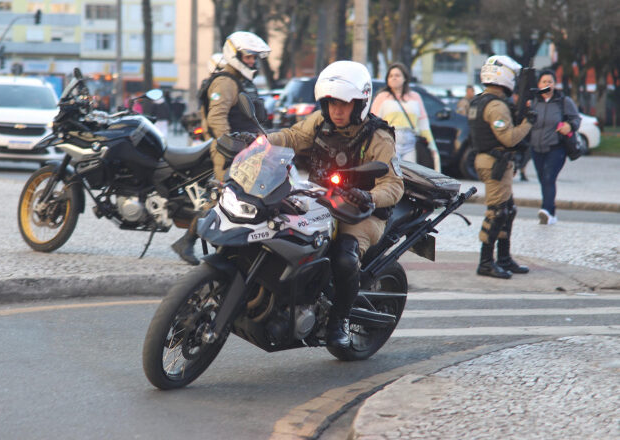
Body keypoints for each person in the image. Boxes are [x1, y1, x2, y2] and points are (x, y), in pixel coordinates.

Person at [264, 60, 405, 348]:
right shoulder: (320, 122)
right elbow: (293, 136)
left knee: (344, 257)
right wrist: (261, 141)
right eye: (330, 103)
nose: (336, 111)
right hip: (322, 201)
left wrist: (368, 196)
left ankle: (338, 320)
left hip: (363, 212)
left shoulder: (378, 136)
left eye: (344, 104)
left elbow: (393, 185)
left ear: (360, 103)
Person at [171, 31, 271, 265]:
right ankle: (187, 241)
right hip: (231, 152)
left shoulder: (243, 82)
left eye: (254, 57)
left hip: (250, 151)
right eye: (248, 57)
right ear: (233, 54)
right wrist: (233, 148)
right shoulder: (226, 81)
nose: (252, 61)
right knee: (222, 200)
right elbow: (217, 119)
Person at [468, 55, 535, 279]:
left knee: (508, 210)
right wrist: (528, 123)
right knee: (497, 212)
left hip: (495, 161)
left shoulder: (482, 100)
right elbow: (509, 138)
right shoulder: (495, 105)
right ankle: (486, 262)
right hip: (494, 162)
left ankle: (504, 259)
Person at [528, 69, 581, 225]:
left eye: (550, 81)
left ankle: (547, 211)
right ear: (539, 84)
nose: (547, 84)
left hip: (556, 147)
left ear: (555, 84)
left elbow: (576, 119)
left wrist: (570, 126)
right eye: (544, 81)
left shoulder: (563, 101)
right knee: (543, 179)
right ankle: (551, 212)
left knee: (549, 178)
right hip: (536, 148)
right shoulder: (533, 102)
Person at [370, 62, 441, 172]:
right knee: (393, 174)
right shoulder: (382, 97)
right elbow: (373, 123)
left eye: (397, 75)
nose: (394, 78)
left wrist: (432, 147)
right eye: (391, 76)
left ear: (405, 78)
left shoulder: (415, 97)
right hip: (390, 141)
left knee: (411, 175)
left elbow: (424, 124)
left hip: (411, 142)